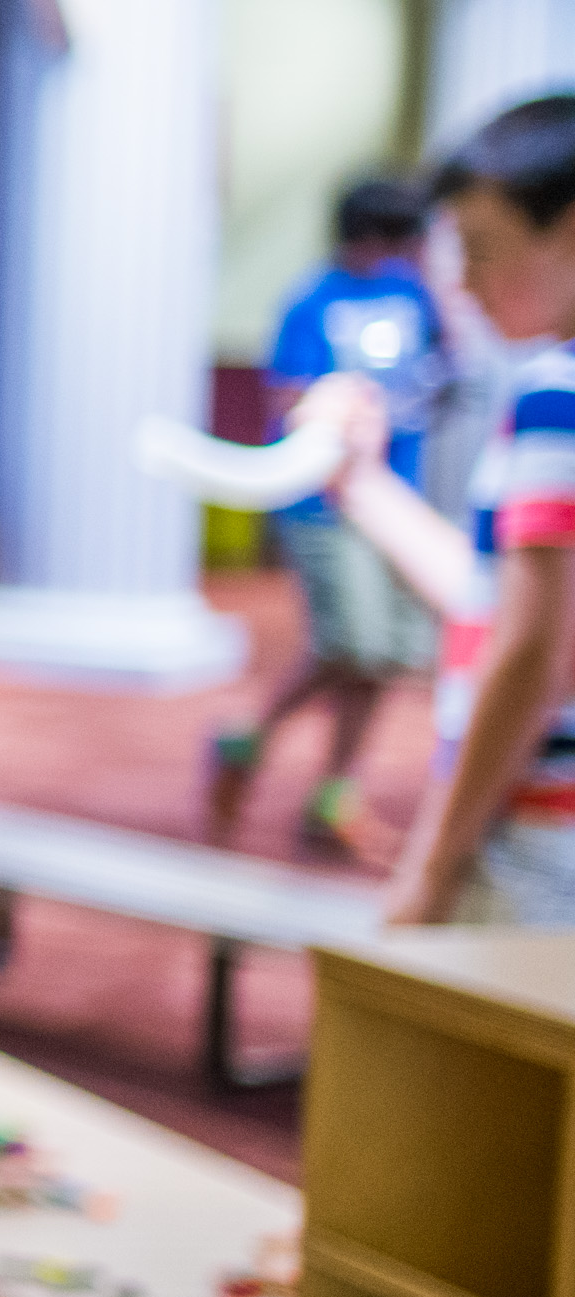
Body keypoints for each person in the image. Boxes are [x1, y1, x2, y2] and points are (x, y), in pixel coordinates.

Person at [317, 106, 575, 923]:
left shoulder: (554, 398)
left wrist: (431, 863)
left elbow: (533, 656)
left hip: (537, 839)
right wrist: (360, 482)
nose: (459, 280)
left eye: (480, 247)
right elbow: (496, 597)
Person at [211, 177, 445, 859]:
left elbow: (442, 370)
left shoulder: (414, 293)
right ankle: (245, 740)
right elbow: (289, 402)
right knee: (354, 646)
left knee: (388, 658)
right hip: (322, 503)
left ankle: (333, 796)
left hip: (397, 495)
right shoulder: (312, 300)